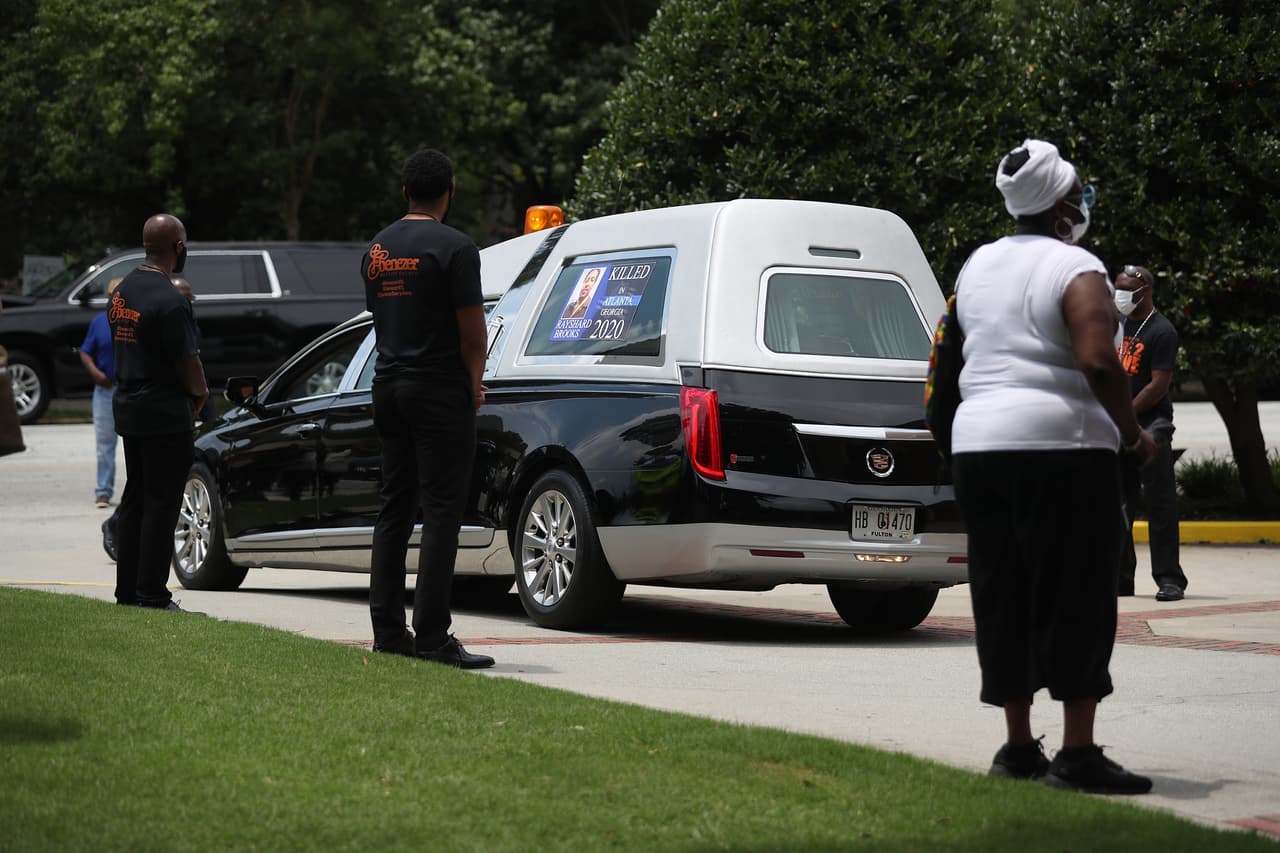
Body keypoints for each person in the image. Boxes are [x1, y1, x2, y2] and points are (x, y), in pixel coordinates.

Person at [950, 139, 1157, 794]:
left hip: (979, 447)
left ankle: (1016, 746)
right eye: (1078, 191)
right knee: (1077, 595)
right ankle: (1077, 752)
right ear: (1065, 202)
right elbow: (1098, 359)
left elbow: (953, 354)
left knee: (1003, 589)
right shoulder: (1077, 266)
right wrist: (1132, 435)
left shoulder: (976, 267)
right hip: (1061, 449)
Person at [363, 149, 493, 669]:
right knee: (441, 514)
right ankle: (434, 637)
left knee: (394, 509)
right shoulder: (456, 247)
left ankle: (388, 632)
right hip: (438, 390)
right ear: (450, 191)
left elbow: (380, 317)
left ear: (404, 193)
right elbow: (472, 330)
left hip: (388, 385)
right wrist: (475, 382)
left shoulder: (377, 248)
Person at [110, 213, 209, 611]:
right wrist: (200, 394)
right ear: (178, 247)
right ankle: (152, 593)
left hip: (130, 408)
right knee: (162, 503)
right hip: (164, 413)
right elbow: (189, 362)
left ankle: (127, 592)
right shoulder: (170, 299)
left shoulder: (123, 292)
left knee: (136, 498)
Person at [1115, 264, 1187, 602]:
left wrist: (1125, 415)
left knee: (1159, 505)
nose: (1120, 295)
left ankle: (1170, 579)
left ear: (1144, 291)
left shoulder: (1162, 331)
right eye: (1117, 287)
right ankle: (1120, 579)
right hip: (1116, 426)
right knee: (1117, 505)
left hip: (1152, 427)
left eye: (1126, 289)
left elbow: (1158, 385)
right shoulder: (1116, 326)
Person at [79, 282, 119, 507]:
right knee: (105, 444)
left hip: (131, 388)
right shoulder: (99, 321)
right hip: (105, 390)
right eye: (113, 295)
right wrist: (95, 373)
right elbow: (86, 352)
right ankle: (103, 490)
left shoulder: (135, 318)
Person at [172, 277, 218, 423]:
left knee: (213, 426)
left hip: (199, 387)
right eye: (183, 298)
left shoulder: (192, 324)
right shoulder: (166, 325)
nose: (188, 303)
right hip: (175, 394)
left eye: (190, 298)